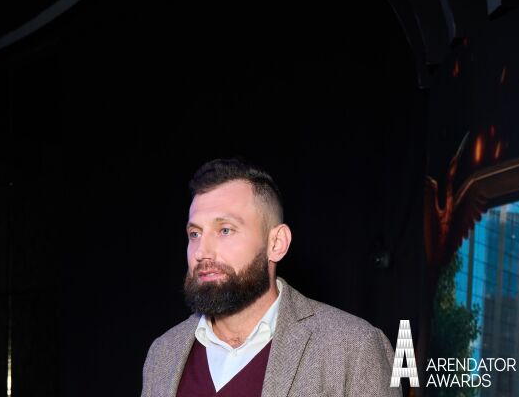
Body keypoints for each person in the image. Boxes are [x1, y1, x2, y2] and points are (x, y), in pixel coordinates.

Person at [142, 157, 401, 397]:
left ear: (277, 243)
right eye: (195, 234)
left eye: (225, 230)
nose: (201, 252)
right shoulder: (163, 353)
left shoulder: (353, 347)